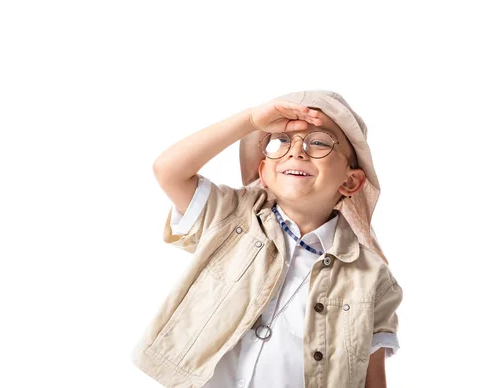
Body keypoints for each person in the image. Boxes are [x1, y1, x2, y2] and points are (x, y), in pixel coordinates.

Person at [131, 90, 403, 388]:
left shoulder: (372, 276)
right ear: (264, 171)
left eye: (319, 142)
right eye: (282, 140)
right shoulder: (231, 216)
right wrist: (250, 119)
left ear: (351, 181)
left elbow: (373, 378)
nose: (296, 151)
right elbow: (168, 170)